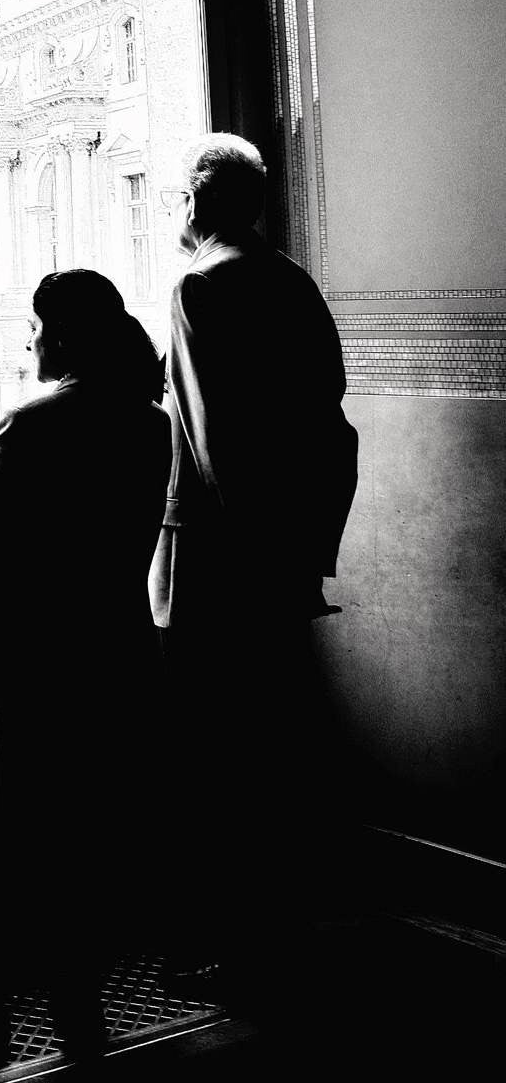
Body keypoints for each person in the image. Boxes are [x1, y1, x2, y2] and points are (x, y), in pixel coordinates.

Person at [0, 269, 171, 1069]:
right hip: (109, 654)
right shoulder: (149, 424)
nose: (27, 341)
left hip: (26, 664)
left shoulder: (32, 422)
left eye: (36, 328)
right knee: (84, 847)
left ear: (61, 335)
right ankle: (80, 1017)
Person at [149, 133, 358, 1008]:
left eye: (179, 197)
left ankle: (228, 949)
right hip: (281, 565)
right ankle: (279, 932)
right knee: (273, 753)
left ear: (199, 199)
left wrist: (237, 559)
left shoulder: (199, 286)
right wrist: (304, 554)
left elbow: (210, 441)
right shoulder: (294, 282)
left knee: (209, 760)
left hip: (216, 566)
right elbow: (333, 428)